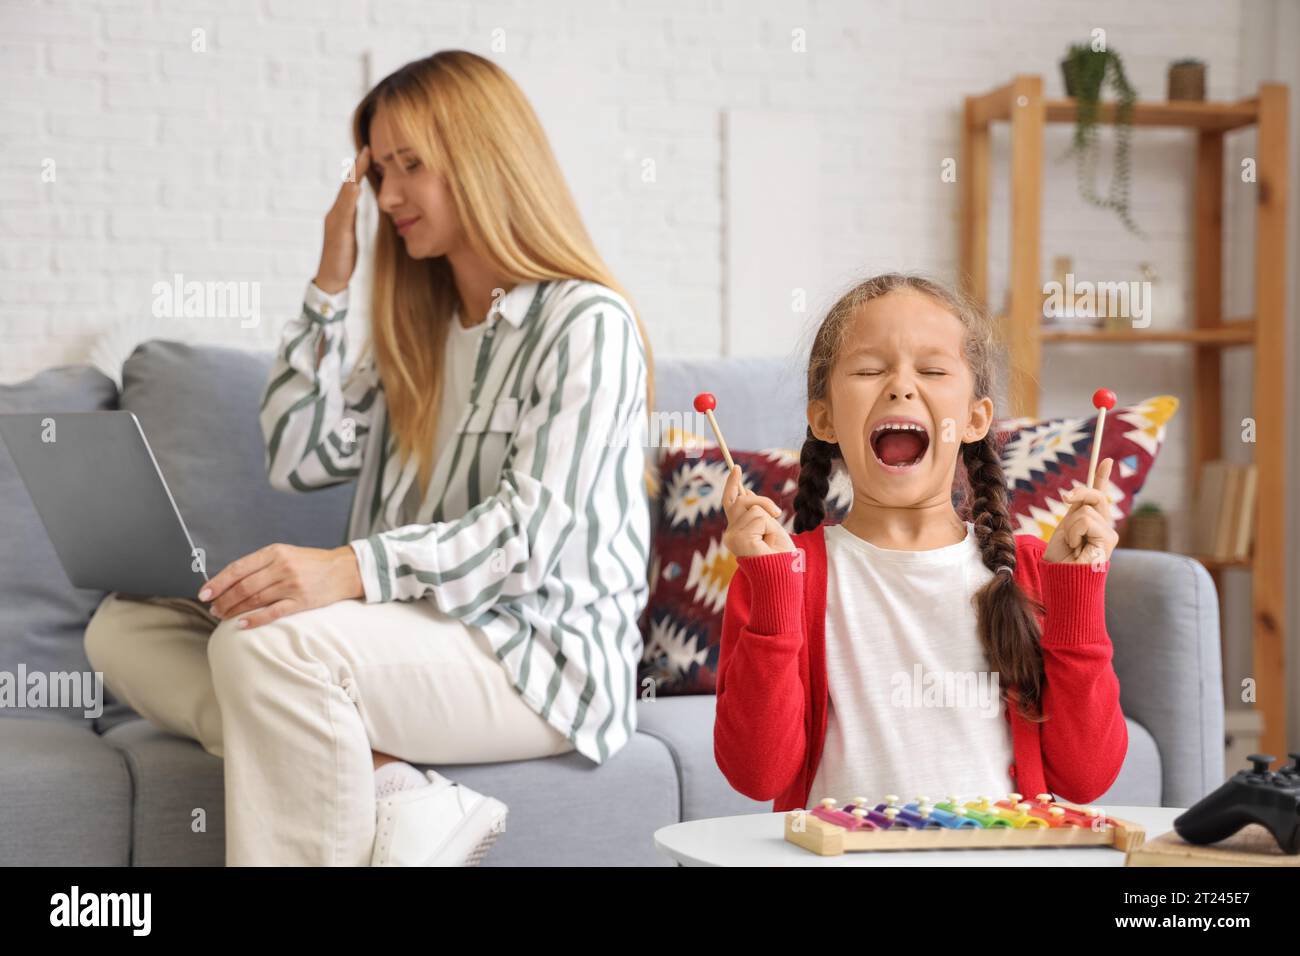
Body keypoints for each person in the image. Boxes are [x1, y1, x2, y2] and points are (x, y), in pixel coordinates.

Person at [85, 50, 654, 866]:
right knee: (123, 626)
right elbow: (296, 455)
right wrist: (330, 280)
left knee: (266, 647)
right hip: (405, 639)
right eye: (377, 171)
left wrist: (349, 570)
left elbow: (529, 536)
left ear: (483, 158)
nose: (387, 198)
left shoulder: (585, 324)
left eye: (409, 166)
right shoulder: (413, 334)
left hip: (535, 658)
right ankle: (394, 783)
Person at [713, 272, 1126, 811]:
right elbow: (757, 775)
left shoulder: (1031, 570)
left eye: (931, 370)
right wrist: (771, 595)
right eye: (868, 369)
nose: (901, 386)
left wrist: (1077, 596)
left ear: (975, 419)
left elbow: (1087, 777)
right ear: (826, 419)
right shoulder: (784, 575)